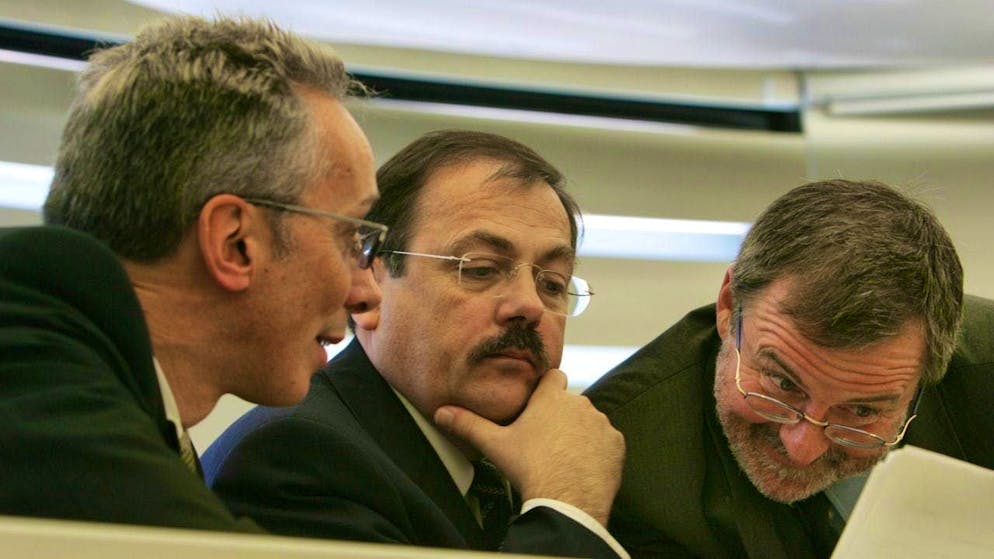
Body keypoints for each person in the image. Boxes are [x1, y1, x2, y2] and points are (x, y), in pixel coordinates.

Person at [0, 15, 385, 531]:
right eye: (349, 239)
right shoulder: (44, 407)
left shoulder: (65, 369)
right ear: (234, 243)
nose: (364, 290)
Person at [202, 129, 628, 558]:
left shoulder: (518, 462)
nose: (528, 305)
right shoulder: (298, 459)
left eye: (552, 284)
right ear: (368, 282)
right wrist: (569, 506)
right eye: (480, 268)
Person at [586, 179, 994, 558]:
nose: (803, 449)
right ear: (729, 306)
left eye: (862, 411)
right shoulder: (624, 461)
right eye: (782, 384)